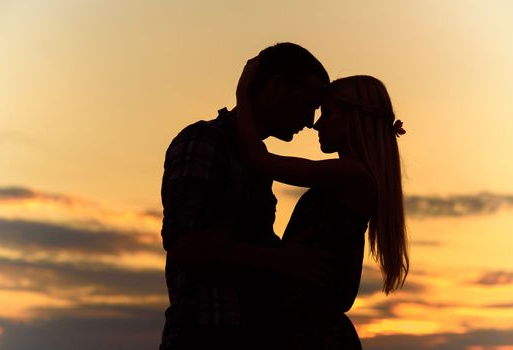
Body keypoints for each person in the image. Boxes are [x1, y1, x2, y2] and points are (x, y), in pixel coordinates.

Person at [159, 43, 334, 350]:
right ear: (276, 86)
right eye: (308, 103)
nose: (310, 121)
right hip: (204, 335)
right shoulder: (204, 140)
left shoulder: (256, 159)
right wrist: (280, 260)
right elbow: (184, 243)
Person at [236, 59, 410, 349]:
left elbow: (259, 160)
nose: (317, 122)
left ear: (353, 119)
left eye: (328, 113)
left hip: (314, 335)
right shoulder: (351, 176)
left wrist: (243, 95)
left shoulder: (351, 175)